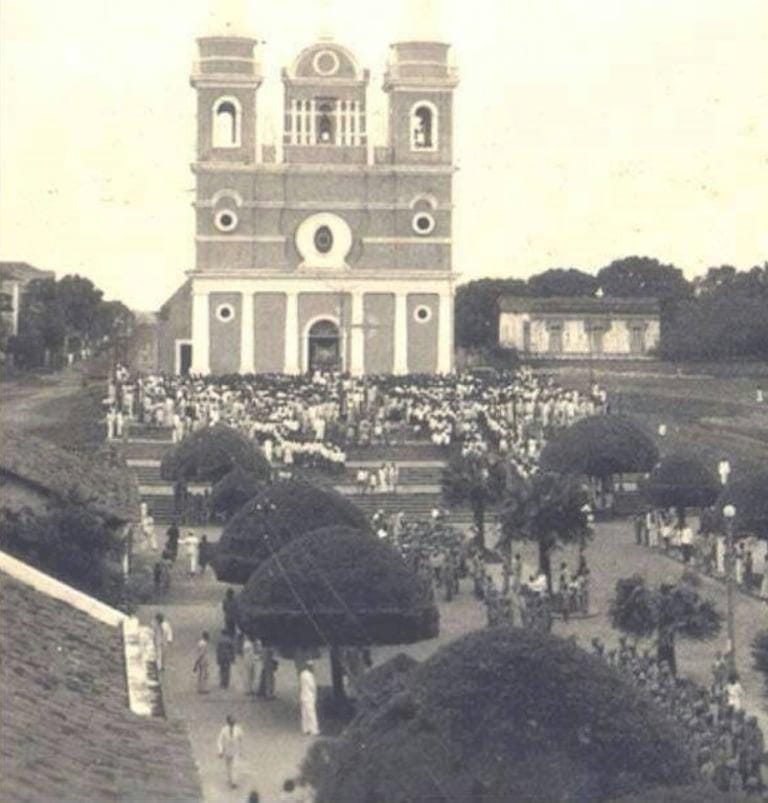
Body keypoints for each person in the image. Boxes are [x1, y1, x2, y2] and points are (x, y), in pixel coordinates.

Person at [217, 714, 243, 789]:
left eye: (233, 721)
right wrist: (220, 751)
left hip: (235, 750)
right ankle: (230, 779)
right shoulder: (224, 730)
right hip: (227, 750)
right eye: (231, 721)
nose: (232, 723)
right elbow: (219, 740)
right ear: (228, 722)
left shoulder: (238, 729)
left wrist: (240, 749)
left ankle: (234, 782)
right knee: (228, 766)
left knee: (235, 766)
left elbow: (241, 739)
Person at [299, 661, 320, 736]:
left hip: (303, 695)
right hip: (309, 696)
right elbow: (312, 686)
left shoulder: (302, 674)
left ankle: (305, 729)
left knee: (304, 713)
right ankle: (314, 730)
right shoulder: (309, 676)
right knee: (311, 714)